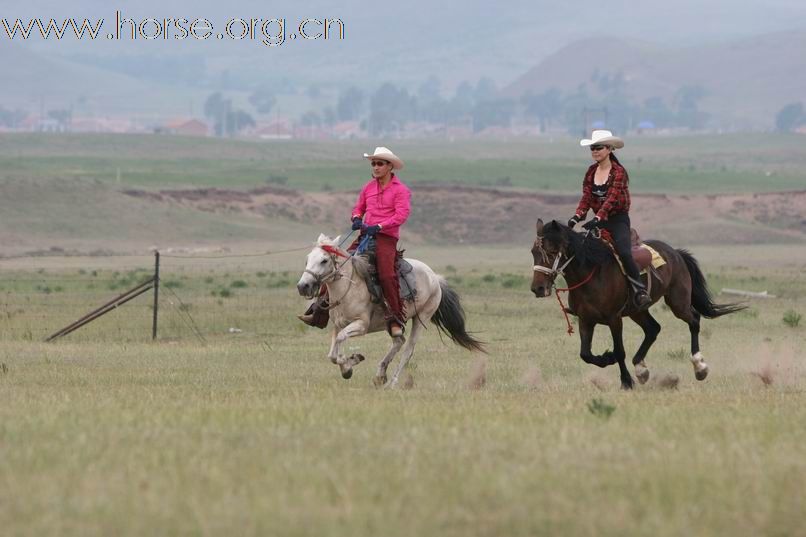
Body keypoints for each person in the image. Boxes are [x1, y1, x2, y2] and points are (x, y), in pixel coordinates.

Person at [299, 147, 411, 337]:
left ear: (389, 166)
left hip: (386, 238)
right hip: (365, 235)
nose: (375, 167)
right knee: (337, 264)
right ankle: (319, 312)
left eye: (380, 163)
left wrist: (380, 226)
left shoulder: (401, 190)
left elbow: (402, 215)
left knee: (386, 276)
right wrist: (357, 218)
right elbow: (358, 208)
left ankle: (395, 319)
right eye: (373, 163)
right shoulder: (368, 187)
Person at [568, 130, 652, 308]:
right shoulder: (591, 172)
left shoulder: (619, 172)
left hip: (617, 220)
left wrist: (598, 217)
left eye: (598, 147)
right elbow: (586, 198)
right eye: (592, 148)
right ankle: (582, 298)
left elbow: (612, 198)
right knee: (582, 251)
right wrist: (577, 216)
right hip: (598, 220)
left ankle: (639, 290)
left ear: (609, 149)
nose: (594, 151)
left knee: (623, 252)